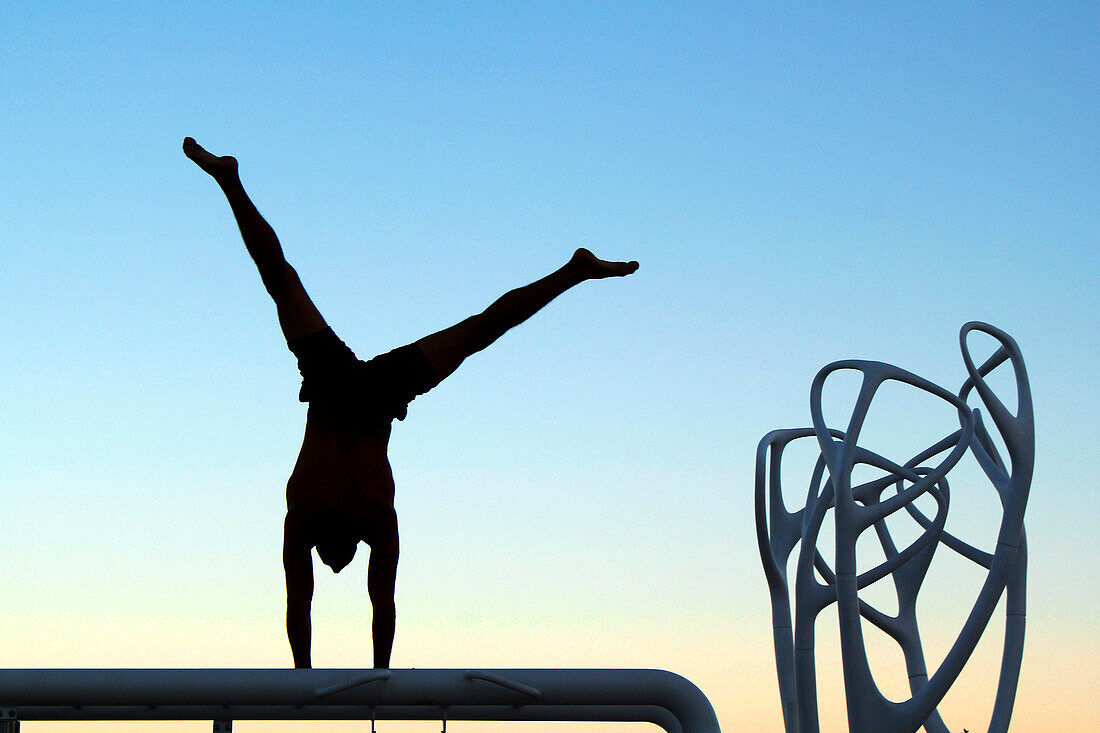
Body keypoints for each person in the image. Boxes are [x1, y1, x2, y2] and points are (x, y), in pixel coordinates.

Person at [183, 138, 639, 669]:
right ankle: (574, 271)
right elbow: (372, 607)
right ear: (351, 546)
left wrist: (307, 678)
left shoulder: (322, 519)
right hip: (369, 391)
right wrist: (375, 676)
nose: (333, 566)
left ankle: (229, 181)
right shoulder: (372, 520)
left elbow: (308, 605)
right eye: (340, 564)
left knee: (289, 282)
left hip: (345, 387)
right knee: (468, 328)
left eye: (330, 563)